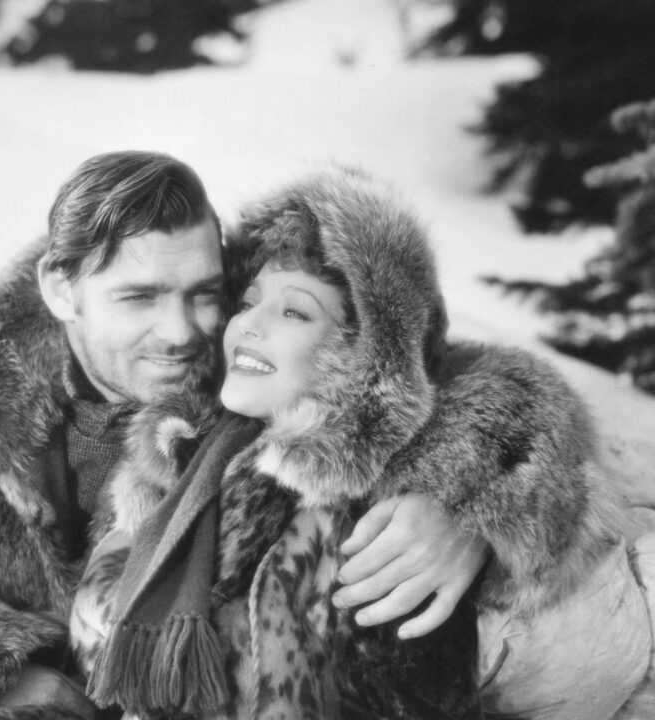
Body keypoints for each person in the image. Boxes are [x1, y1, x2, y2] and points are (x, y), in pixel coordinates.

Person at [0, 152, 488, 720]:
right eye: (137, 298)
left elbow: (425, 367)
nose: (180, 332)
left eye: (203, 293)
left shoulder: (245, 365)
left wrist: (465, 497)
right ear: (59, 288)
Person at [70, 167, 622, 719]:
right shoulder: (180, 458)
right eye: (246, 301)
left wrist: (473, 510)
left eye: (294, 311)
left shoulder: (372, 525)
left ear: (363, 356)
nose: (247, 325)